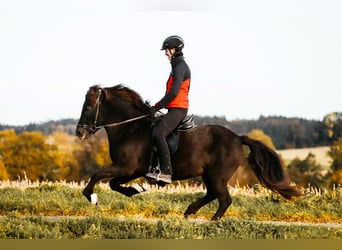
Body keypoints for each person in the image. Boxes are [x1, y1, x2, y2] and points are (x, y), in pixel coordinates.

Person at [146, 35, 191, 184]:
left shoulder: (180, 67)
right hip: (174, 108)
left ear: (174, 50)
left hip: (178, 109)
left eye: (166, 50)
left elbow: (173, 92)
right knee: (154, 128)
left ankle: (166, 172)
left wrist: (156, 106)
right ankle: (154, 168)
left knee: (159, 134)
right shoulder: (176, 66)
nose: (165, 53)